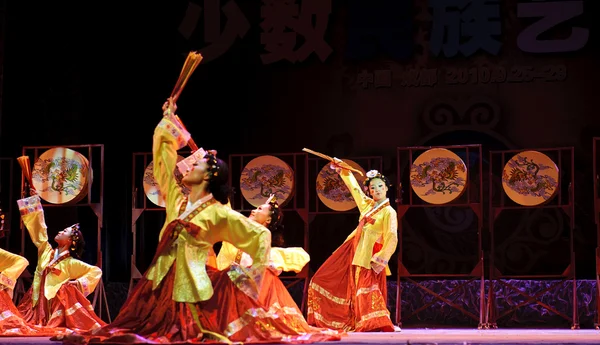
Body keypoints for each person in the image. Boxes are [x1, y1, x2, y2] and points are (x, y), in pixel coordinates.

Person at [65, 98, 273, 344]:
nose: (188, 168)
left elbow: (261, 236)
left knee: (170, 335)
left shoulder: (219, 212)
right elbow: (163, 164)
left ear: (207, 175)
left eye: (196, 165)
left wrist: (250, 279)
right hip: (159, 281)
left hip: (191, 288)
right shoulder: (178, 201)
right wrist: (167, 121)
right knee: (127, 332)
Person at [208, 195, 340, 341]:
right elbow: (228, 215)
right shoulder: (241, 229)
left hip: (245, 283)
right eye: (256, 208)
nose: (253, 210)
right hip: (227, 280)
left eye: (259, 209)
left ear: (268, 220)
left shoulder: (262, 234)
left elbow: (256, 263)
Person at [307, 160, 399, 332]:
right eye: (372, 188)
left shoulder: (389, 212)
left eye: (380, 186)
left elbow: (392, 236)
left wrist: (381, 259)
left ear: (387, 188)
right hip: (353, 249)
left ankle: (375, 321)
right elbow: (355, 190)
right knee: (321, 278)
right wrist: (343, 170)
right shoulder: (367, 206)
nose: (376, 190)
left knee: (367, 288)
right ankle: (355, 319)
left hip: (371, 254)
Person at [15, 195, 106, 333]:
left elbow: (96, 271)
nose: (59, 231)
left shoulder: (71, 263)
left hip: (54, 307)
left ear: (70, 240)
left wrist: (78, 283)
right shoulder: (46, 251)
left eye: (64, 231)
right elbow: (40, 230)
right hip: (34, 302)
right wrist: (34, 201)